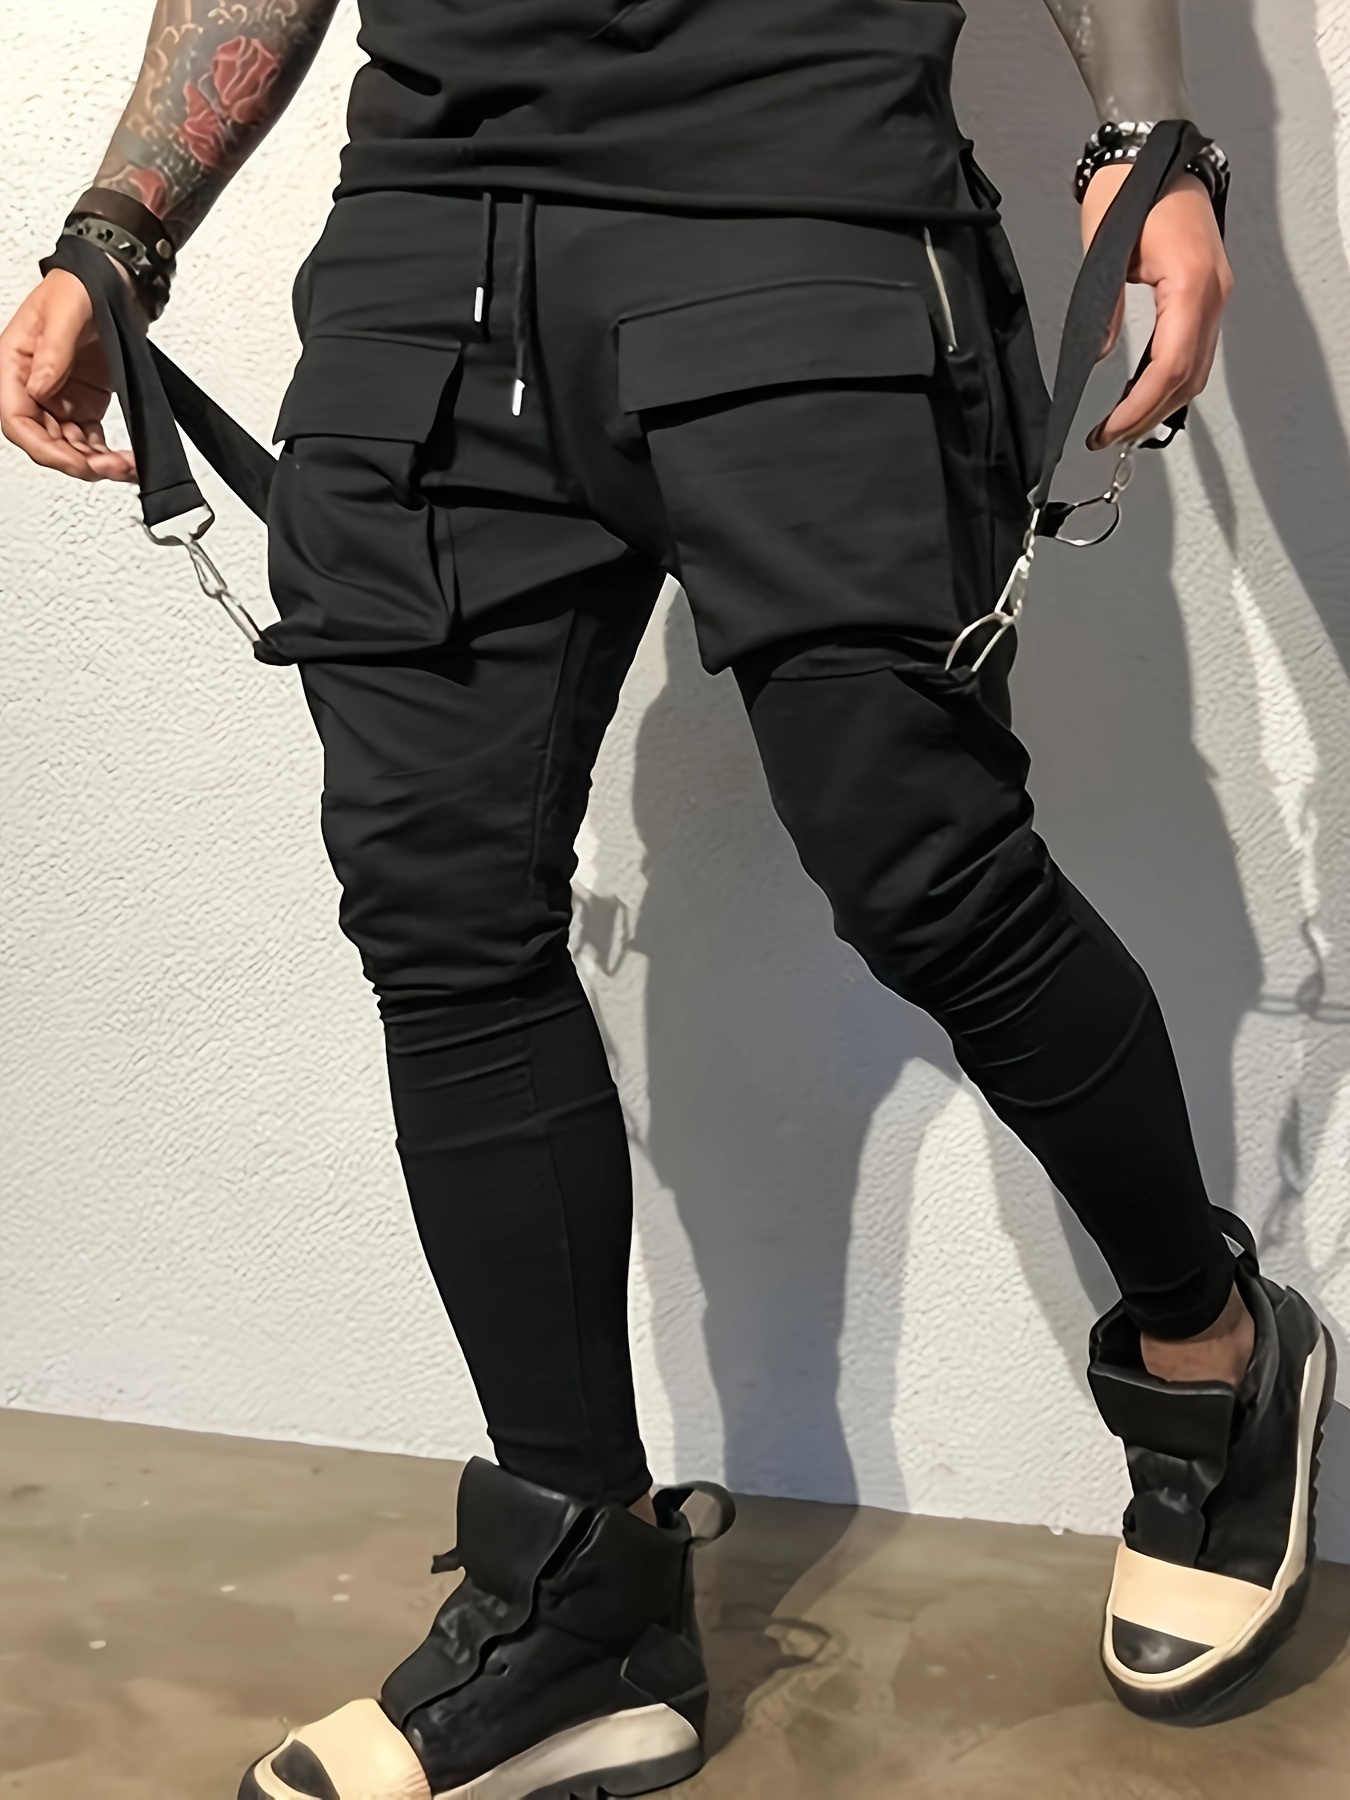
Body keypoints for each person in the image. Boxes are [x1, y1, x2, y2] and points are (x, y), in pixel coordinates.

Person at [0, 1, 1334, 1792]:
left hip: (810, 216)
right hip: (426, 260)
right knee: (440, 921)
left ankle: (1209, 1354)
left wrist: (1144, 141)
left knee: (929, 877)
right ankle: (576, 1605)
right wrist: (121, 222)